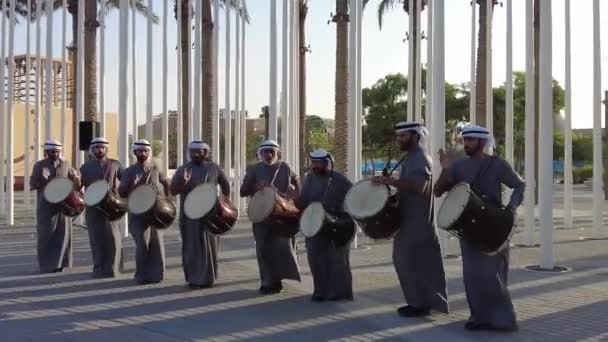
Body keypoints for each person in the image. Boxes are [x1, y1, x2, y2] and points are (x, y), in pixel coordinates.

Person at [434, 125, 525, 332]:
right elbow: (438, 192)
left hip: (494, 225)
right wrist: (446, 169)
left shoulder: (498, 164)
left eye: (471, 140)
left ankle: (504, 320)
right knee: (472, 275)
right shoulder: (458, 166)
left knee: (493, 274)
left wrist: (511, 208)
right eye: (465, 140)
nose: (466, 143)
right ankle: (479, 317)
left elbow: (520, 185)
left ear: (482, 143)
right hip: (468, 228)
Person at [373, 122, 449, 317]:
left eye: (404, 136)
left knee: (414, 263)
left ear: (415, 137)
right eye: (399, 136)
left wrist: (390, 181)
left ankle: (421, 304)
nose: (400, 140)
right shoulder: (410, 158)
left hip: (418, 223)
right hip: (407, 220)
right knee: (407, 262)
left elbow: (420, 187)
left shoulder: (421, 158)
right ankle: (417, 302)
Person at [240, 140, 301, 294]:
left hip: (283, 215)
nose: (268, 154)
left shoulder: (285, 167)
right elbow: (243, 191)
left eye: (271, 151)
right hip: (262, 217)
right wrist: (255, 187)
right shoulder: (254, 169)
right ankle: (267, 282)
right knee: (263, 249)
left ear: (277, 153)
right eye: (265, 152)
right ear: (260, 154)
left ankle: (278, 280)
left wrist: (297, 196)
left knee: (282, 248)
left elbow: (297, 180)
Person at [170, 141, 230, 289]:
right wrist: (183, 183)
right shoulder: (183, 169)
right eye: (193, 151)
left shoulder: (214, 168)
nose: (196, 154)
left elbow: (225, 185)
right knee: (191, 247)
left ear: (206, 152)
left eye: (199, 151)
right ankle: (194, 279)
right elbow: (173, 191)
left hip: (211, 214)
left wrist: (225, 202)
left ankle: (208, 279)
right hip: (189, 216)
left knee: (209, 246)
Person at [297, 149, 353, 302]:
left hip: (336, 225)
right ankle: (320, 291)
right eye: (313, 162)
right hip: (314, 225)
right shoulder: (309, 179)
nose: (314, 166)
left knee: (337, 260)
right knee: (315, 257)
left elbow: (353, 197)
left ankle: (341, 293)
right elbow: (303, 200)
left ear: (327, 163)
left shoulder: (339, 179)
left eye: (318, 163)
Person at [119, 139, 170, 284]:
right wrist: (132, 186)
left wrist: (167, 198)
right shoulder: (128, 172)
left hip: (155, 212)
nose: (143, 153)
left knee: (156, 243)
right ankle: (141, 275)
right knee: (142, 244)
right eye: (140, 151)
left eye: (146, 151)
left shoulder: (155, 169)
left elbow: (166, 183)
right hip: (137, 212)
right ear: (135, 152)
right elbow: (122, 192)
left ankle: (156, 275)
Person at [30, 140, 81, 273]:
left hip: (64, 206)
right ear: (46, 152)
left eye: (57, 151)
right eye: (52, 151)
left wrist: (76, 178)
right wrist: (43, 179)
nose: (55, 154)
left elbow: (76, 184)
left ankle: (61, 264)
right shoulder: (39, 165)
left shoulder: (66, 164)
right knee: (46, 235)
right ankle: (46, 265)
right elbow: (33, 184)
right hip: (46, 206)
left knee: (63, 235)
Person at [80, 137, 124, 278]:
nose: (100, 150)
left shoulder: (115, 164)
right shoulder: (85, 167)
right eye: (97, 147)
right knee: (96, 239)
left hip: (112, 207)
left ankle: (113, 269)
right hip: (93, 208)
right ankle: (98, 269)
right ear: (92, 150)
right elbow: (78, 186)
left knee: (113, 238)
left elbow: (126, 181)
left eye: (102, 147)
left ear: (106, 149)